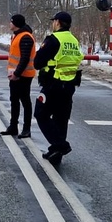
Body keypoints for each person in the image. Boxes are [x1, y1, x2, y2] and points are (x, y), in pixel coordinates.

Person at [33, 10, 84, 167]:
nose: (52, 23)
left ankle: (60, 145)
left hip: (53, 84)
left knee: (41, 114)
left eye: (54, 21)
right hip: (69, 85)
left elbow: (38, 62)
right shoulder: (74, 40)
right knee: (61, 119)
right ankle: (56, 153)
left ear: (58, 23)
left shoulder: (53, 39)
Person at [2, 14, 35, 138]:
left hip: (24, 75)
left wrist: (17, 74)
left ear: (16, 23)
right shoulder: (17, 35)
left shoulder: (25, 37)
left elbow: (25, 58)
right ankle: (13, 126)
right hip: (16, 75)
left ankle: (26, 129)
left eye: (11, 22)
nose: (9, 24)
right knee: (14, 100)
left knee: (25, 101)